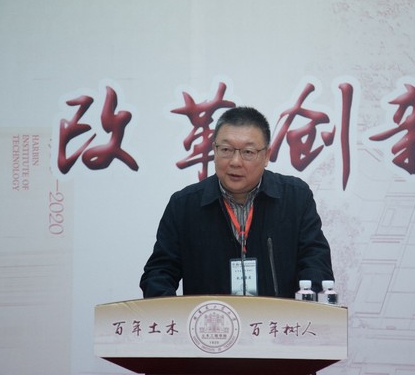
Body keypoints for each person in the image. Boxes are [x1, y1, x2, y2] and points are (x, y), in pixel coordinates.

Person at [140, 106, 333, 298]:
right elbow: (158, 273)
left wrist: (302, 309)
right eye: (226, 150)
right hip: (212, 317)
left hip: (277, 317)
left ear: (266, 156)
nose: (235, 162)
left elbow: (316, 264)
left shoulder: (295, 198)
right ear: (214, 150)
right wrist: (178, 313)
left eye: (248, 152)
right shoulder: (184, 205)